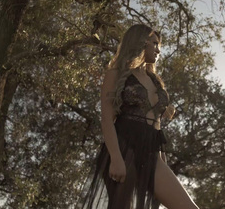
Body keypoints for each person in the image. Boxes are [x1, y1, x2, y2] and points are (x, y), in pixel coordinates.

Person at [78, 24, 199, 209]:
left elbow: (156, 126)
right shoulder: (116, 73)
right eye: (154, 43)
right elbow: (106, 118)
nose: (158, 50)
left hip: (152, 152)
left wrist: (163, 163)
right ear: (140, 43)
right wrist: (116, 158)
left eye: (159, 45)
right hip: (124, 147)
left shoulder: (155, 80)